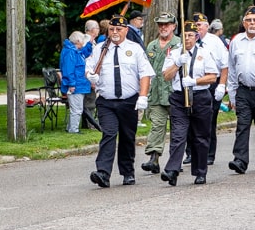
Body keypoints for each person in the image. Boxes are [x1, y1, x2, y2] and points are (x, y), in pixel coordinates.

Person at [85, 14, 155, 188]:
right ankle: (103, 172)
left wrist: (143, 96)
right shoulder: (100, 49)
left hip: (128, 100)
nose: (115, 32)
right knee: (109, 133)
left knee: (127, 136)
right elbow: (89, 68)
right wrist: (91, 76)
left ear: (126, 30)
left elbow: (145, 73)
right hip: (106, 100)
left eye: (119, 29)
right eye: (111, 29)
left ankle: (127, 172)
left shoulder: (135, 49)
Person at [160, 20, 220, 186]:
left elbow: (212, 76)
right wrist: (178, 63)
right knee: (178, 135)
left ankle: (200, 172)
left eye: (190, 35)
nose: (187, 38)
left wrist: (194, 81)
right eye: (184, 35)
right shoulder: (174, 53)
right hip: (179, 98)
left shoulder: (204, 53)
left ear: (196, 36)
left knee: (200, 136)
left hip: (200, 97)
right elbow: (166, 76)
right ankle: (172, 170)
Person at [226, 6, 255, 174]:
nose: (252, 23)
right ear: (243, 23)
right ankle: (240, 160)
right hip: (243, 91)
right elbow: (232, 68)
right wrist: (232, 94)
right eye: (248, 20)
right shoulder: (236, 41)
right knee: (242, 125)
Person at [140, 12, 182, 175]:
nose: (163, 27)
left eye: (167, 24)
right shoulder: (152, 46)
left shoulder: (180, 44)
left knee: (178, 129)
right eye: (160, 24)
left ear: (173, 26)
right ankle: (154, 158)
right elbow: (145, 70)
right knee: (157, 126)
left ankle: (176, 159)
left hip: (175, 93)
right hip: (156, 94)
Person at [188, 12, 229, 165]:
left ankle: (209, 154)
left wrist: (222, 85)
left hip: (212, 83)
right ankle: (191, 153)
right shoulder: (188, 41)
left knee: (209, 120)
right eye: (195, 25)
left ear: (206, 26)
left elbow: (225, 65)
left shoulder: (215, 41)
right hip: (192, 83)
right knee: (190, 119)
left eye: (199, 25)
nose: (197, 28)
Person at [59, 31, 90, 134]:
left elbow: (85, 52)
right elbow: (69, 69)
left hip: (78, 83)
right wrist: (71, 84)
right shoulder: (71, 52)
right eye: (82, 41)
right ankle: (73, 130)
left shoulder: (74, 50)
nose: (83, 43)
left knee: (76, 108)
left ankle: (71, 128)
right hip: (75, 84)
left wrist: (90, 43)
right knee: (77, 108)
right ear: (77, 41)